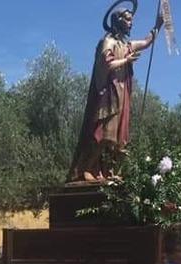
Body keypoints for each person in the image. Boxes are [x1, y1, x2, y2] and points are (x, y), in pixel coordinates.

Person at [69, 6, 163, 181]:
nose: (131, 23)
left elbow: (146, 42)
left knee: (120, 137)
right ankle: (88, 168)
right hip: (109, 95)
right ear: (118, 21)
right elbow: (106, 64)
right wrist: (126, 60)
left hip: (123, 94)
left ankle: (108, 171)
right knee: (105, 133)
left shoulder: (126, 45)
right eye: (127, 19)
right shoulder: (108, 42)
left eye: (131, 19)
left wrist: (158, 25)